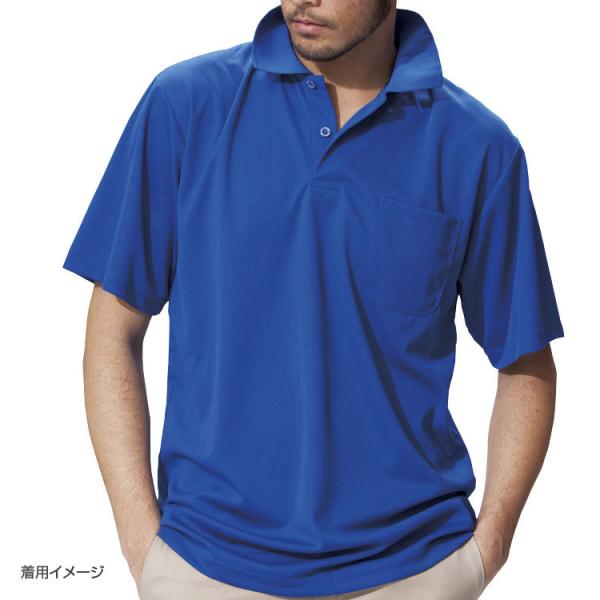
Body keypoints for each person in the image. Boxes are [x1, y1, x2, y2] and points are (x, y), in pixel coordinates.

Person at [62, 1, 564, 599]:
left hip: (413, 567)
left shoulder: (477, 146)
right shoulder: (187, 104)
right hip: (205, 565)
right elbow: (112, 330)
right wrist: (141, 544)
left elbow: (525, 359)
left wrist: (488, 548)